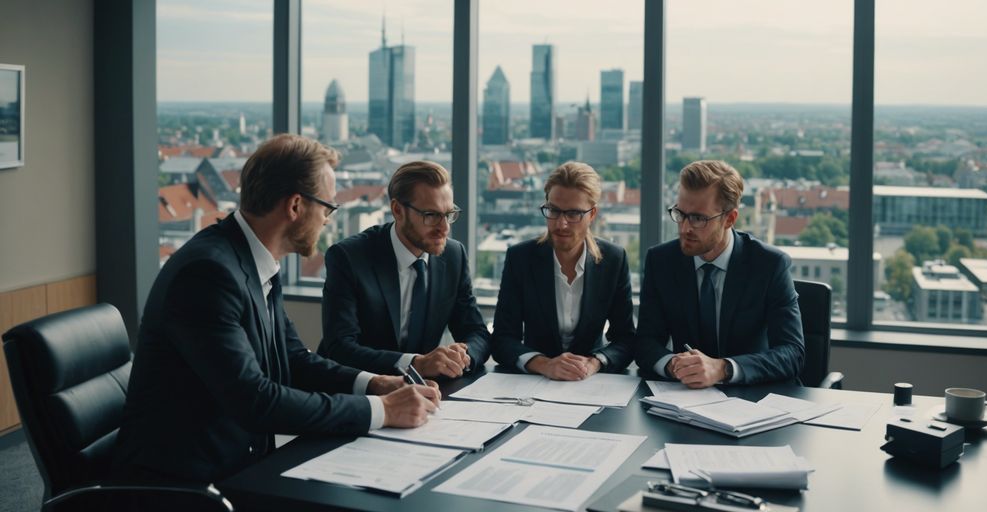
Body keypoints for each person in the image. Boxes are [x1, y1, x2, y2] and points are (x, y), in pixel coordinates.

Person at [113, 134, 439, 486]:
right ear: (296, 206)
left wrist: (373, 385)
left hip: (239, 467)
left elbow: (293, 359)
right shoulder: (208, 273)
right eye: (328, 207)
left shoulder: (253, 261)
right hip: (184, 486)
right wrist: (383, 411)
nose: (328, 219)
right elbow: (255, 401)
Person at [633, 160, 804, 387]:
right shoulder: (662, 261)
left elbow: (792, 353)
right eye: (680, 214)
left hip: (751, 401)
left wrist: (723, 368)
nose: (685, 228)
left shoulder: (769, 265)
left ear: (730, 219)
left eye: (698, 218)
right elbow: (645, 342)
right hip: (683, 402)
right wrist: (672, 364)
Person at [318, 160, 489, 378]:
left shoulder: (454, 256)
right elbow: (340, 347)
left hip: (423, 392)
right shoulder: (349, 257)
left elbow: (477, 333)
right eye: (431, 215)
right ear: (398, 210)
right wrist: (415, 363)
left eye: (449, 214)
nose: (444, 228)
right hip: (358, 392)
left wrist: (463, 355)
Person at [491, 161, 635, 380]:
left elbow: (625, 339)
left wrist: (595, 363)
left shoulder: (613, 260)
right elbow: (502, 340)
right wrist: (545, 365)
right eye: (554, 211)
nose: (561, 224)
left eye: (574, 214)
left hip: (591, 384)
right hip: (534, 383)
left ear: (592, 214)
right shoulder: (520, 259)